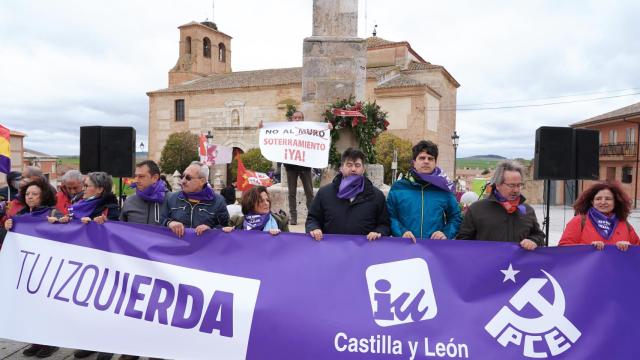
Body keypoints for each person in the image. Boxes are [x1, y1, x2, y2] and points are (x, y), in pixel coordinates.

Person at [4, 179, 59, 358]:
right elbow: (8, 237)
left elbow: (66, 231)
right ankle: (36, 341)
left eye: (35, 194)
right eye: (27, 194)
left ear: (43, 196)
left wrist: (57, 223)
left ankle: (51, 343)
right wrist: (7, 226)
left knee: (46, 308)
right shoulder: (20, 215)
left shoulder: (52, 213)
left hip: (46, 268)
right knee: (31, 307)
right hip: (27, 268)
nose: (30, 197)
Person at [456, 160, 544, 250]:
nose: (516, 190)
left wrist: (534, 241)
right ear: (498, 185)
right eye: (511, 185)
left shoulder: (527, 210)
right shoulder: (476, 209)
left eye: (519, 185)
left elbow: (539, 236)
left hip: (518, 264)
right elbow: (462, 241)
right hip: (487, 263)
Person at [306, 148, 390, 240]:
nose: (353, 169)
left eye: (357, 165)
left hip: (363, 251)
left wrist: (378, 232)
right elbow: (312, 219)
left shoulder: (376, 196)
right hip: (332, 250)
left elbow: (384, 225)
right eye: (349, 165)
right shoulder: (324, 193)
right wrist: (314, 228)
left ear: (363, 169)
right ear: (341, 168)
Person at [386, 140, 461, 242]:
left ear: (435, 163)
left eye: (430, 158)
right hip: (404, 246)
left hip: (434, 248)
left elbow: (455, 217)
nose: (426, 161)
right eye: (422, 158)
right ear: (414, 162)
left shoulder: (444, 188)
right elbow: (390, 216)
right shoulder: (398, 187)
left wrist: (445, 233)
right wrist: (401, 232)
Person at [559, 181, 639, 250]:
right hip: (588, 268)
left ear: (616, 202)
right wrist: (588, 248)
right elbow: (563, 248)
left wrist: (629, 247)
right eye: (598, 199)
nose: (603, 202)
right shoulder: (579, 221)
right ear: (592, 202)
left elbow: (637, 249)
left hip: (616, 267)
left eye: (608, 199)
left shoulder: (623, 223)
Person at [161, 161, 229, 237]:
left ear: (202, 181)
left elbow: (225, 228)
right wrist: (169, 223)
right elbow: (161, 221)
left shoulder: (218, 201)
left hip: (204, 247)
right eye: (182, 176)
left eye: (188, 178)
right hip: (178, 247)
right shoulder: (172, 198)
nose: (182, 181)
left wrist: (211, 229)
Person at [53, 171, 120, 225]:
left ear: (99, 189)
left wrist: (103, 222)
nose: (83, 188)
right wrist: (62, 220)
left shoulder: (110, 209)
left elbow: (113, 230)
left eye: (86, 186)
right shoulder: (78, 203)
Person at [283, 111, 314, 225]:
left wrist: (328, 128)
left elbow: (319, 135)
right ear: (292, 119)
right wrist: (263, 128)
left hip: (305, 166)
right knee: (292, 192)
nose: (297, 119)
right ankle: (293, 216)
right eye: (295, 118)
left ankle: (312, 216)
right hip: (291, 166)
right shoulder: (286, 130)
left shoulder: (308, 131)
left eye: (300, 118)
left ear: (303, 119)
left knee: (309, 192)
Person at [223, 186, 289, 234]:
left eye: (267, 200)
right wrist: (226, 233)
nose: (266, 203)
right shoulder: (236, 222)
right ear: (251, 204)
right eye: (261, 201)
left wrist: (279, 237)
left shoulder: (281, 221)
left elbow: (288, 246)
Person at [120, 160, 168, 225]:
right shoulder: (129, 201)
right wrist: (106, 223)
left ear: (155, 178)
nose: (136, 180)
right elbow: (121, 229)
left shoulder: (171, 200)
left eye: (141, 176)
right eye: (135, 176)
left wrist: (170, 222)